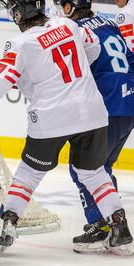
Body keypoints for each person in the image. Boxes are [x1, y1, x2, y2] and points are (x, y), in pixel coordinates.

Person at [0, 0, 132, 256]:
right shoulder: (68, 25)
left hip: (53, 118)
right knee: (94, 173)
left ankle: (8, 224)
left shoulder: (20, 44)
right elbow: (92, 49)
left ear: (18, 14)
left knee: (29, 174)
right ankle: (119, 226)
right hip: (92, 112)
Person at [53, 0, 134, 253]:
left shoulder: (75, 31)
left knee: (83, 168)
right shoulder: (110, 23)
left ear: (69, 8)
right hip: (128, 104)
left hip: (106, 107)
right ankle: (114, 228)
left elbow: (68, 71)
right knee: (102, 168)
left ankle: (101, 228)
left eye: (60, 5)